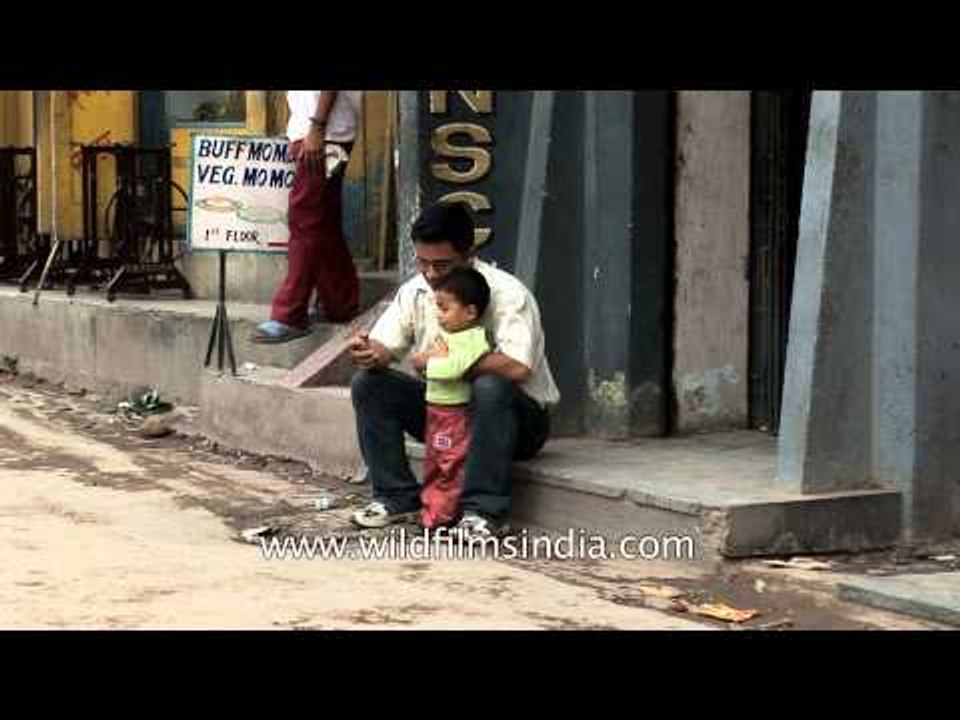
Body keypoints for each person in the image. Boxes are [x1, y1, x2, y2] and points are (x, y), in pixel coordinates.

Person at [348, 201, 560, 539]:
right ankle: (396, 497)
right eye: (423, 263)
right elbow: (386, 347)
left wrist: (443, 364)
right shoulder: (415, 290)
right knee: (369, 385)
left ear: (468, 254)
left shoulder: (507, 293)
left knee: (490, 385)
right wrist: (368, 352)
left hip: (516, 422)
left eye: (442, 265)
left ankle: (482, 512)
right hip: (445, 414)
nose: (431, 274)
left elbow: (518, 366)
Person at [252, 90, 362, 343]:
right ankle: (341, 303)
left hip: (325, 135)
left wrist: (316, 128)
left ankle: (290, 314)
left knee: (306, 220)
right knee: (322, 221)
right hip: (318, 132)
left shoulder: (322, 130)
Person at [415, 267, 491, 530]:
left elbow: (454, 368)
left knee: (451, 464)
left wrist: (428, 362)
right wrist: (427, 359)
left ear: (470, 312)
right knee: (434, 461)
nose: (439, 314)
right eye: (437, 307)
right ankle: (430, 509)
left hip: (455, 415)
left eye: (445, 308)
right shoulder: (447, 336)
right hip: (435, 410)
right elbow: (424, 358)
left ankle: (442, 516)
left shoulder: (474, 338)